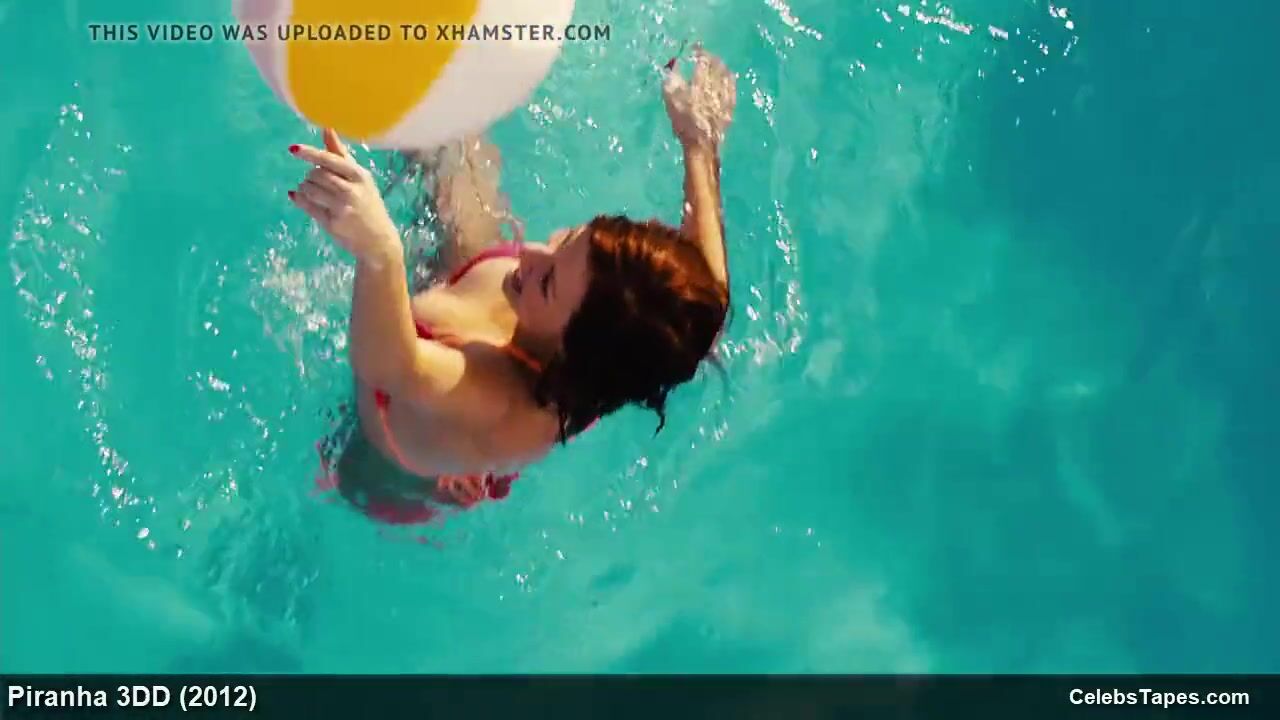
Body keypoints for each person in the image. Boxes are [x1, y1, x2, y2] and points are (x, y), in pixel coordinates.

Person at [292, 48, 736, 523]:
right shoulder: (645, 317)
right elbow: (707, 293)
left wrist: (380, 250)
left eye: (549, 280)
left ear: (571, 349)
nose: (531, 254)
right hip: (471, 304)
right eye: (565, 241)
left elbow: (389, 367)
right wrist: (698, 143)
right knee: (445, 117)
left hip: (385, 450)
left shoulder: (505, 404)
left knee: (336, 483)